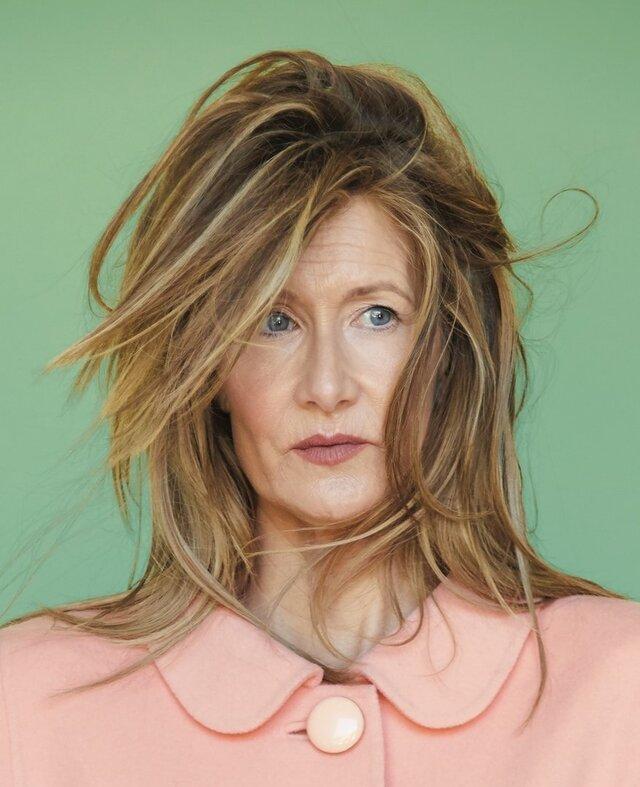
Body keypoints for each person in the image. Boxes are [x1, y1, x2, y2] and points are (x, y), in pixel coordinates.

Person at [1, 48, 638, 786]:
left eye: (377, 315)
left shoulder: (617, 687)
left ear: (447, 353)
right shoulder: (27, 706)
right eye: (273, 321)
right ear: (208, 369)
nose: (327, 387)